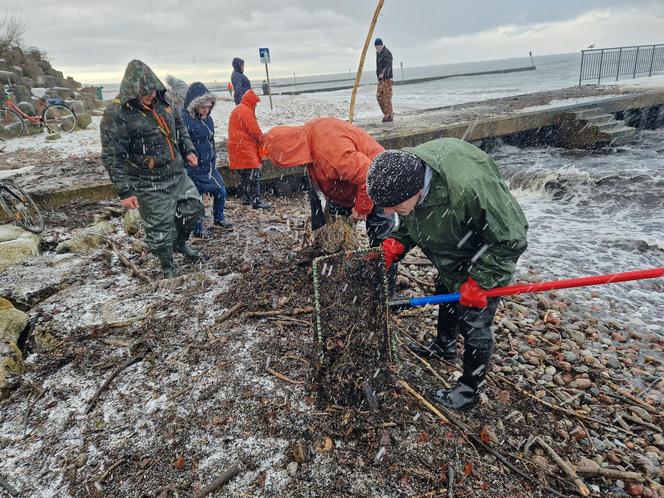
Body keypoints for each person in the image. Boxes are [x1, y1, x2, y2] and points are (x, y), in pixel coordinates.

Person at [366, 138, 528, 410]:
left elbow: (511, 238)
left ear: (418, 188)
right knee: (445, 287)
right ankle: (444, 346)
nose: (387, 212)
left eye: (393, 205)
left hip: (482, 252)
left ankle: (468, 392)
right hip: (450, 244)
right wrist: (399, 239)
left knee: (474, 322)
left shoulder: (470, 187)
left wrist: (481, 282)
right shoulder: (402, 173)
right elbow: (413, 215)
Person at [100, 59, 204, 279]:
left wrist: (189, 150)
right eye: (144, 93)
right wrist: (125, 190)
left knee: (193, 209)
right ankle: (167, 265)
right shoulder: (117, 113)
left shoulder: (165, 102)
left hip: (176, 173)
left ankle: (180, 243)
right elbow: (112, 155)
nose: (150, 96)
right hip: (146, 180)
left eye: (152, 91)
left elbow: (179, 127)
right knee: (159, 226)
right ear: (132, 91)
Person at [263, 117, 394, 247]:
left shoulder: (330, 152)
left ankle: (382, 264)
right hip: (346, 188)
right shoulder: (309, 135)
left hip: (380, 183)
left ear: (291, 151)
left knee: (381, 238)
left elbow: (369, 175)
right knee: (335, 235)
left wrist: (362, 208)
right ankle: (341, 255)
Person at [181, 81, 233, 237]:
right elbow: (180, 143)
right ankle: (197, 229)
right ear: (194, 105)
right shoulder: (184, 120)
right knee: (196, 200)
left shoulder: (208, 119)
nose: (206, 110)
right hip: (192, 167)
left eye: (209, 107)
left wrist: (212, 159)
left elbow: (211, 141)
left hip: (209, 166)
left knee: (221, 192)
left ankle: (219, 219)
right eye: (203, 107)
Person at [228, 89, 271, 209]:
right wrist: (263, 139)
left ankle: (246, 197)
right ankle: (256, 200)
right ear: (251, 101)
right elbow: (254, 131)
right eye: (255, 103)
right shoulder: (246, 111)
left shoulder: (239, 109)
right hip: (245, 148)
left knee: (245, 175)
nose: (256, 106)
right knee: (254, 174)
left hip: (237, 147)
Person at [374, 38, 393, 122]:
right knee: (379, 97)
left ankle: (389, 115)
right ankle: (386, 114)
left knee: (386, 97)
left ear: (381, 45)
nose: (376, 47)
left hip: (387, 78)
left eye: (377, 46)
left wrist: (383, 74)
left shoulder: (386, 53)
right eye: (375, 46)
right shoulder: (378, 53)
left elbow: (388, 65)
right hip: (380, 80)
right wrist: (378, 76)